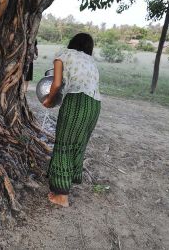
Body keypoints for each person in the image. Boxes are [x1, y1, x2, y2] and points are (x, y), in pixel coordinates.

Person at [43, 33, 101, 207]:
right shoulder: (91, 62)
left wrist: (49, 100)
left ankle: (62, 196)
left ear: (72, 43)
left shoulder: (63, 55)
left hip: (76, 102)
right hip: (95, 105)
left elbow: (56, 84)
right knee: (77, 145)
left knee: (64, 145)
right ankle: (63, 186)